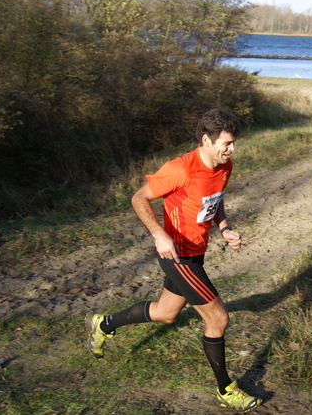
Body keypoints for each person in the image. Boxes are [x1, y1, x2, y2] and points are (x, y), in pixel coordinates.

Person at [84, 108, 262, 413]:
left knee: (166, 313)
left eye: (233, 143)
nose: (232, 149)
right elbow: (138, 198)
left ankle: (104, 324)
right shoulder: (180, 169)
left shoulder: (224, 166)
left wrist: (225, 228)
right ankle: (226, 389)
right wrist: (158, 234)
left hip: (197, 252)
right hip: (177, 256)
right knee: (218, 318)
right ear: (206, 140)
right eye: (227, 143)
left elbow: (214, 201)